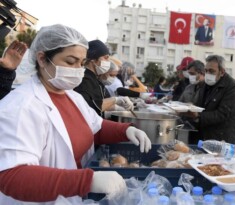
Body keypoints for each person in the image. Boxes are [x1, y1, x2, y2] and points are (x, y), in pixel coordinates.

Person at [0, 24, 152, 205]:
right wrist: (85, 181)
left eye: (81, 62)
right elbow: (12, 176)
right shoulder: (21, 107)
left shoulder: (72, 96)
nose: (78, 69)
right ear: (42, 59)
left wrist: (125, 130)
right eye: (70, 62)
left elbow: (95, 126)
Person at [184, 55, 235, 144]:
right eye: (206, 71)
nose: (208, 74)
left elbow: (222, 114)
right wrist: (191, 107)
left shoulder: (233, 87)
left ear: (222, 72)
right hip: (206, 136)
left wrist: (198, 116)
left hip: (224, 139)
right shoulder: (206, 85)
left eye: (212, 71)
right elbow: (200, 105)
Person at [74, 39, 133, 117]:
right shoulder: (84, 79)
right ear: (93, 60)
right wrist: (115, 100)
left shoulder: (95, 80)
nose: (108, 61)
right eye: (106, 58)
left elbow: (103, 103)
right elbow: (91, 105)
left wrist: (119, 109)